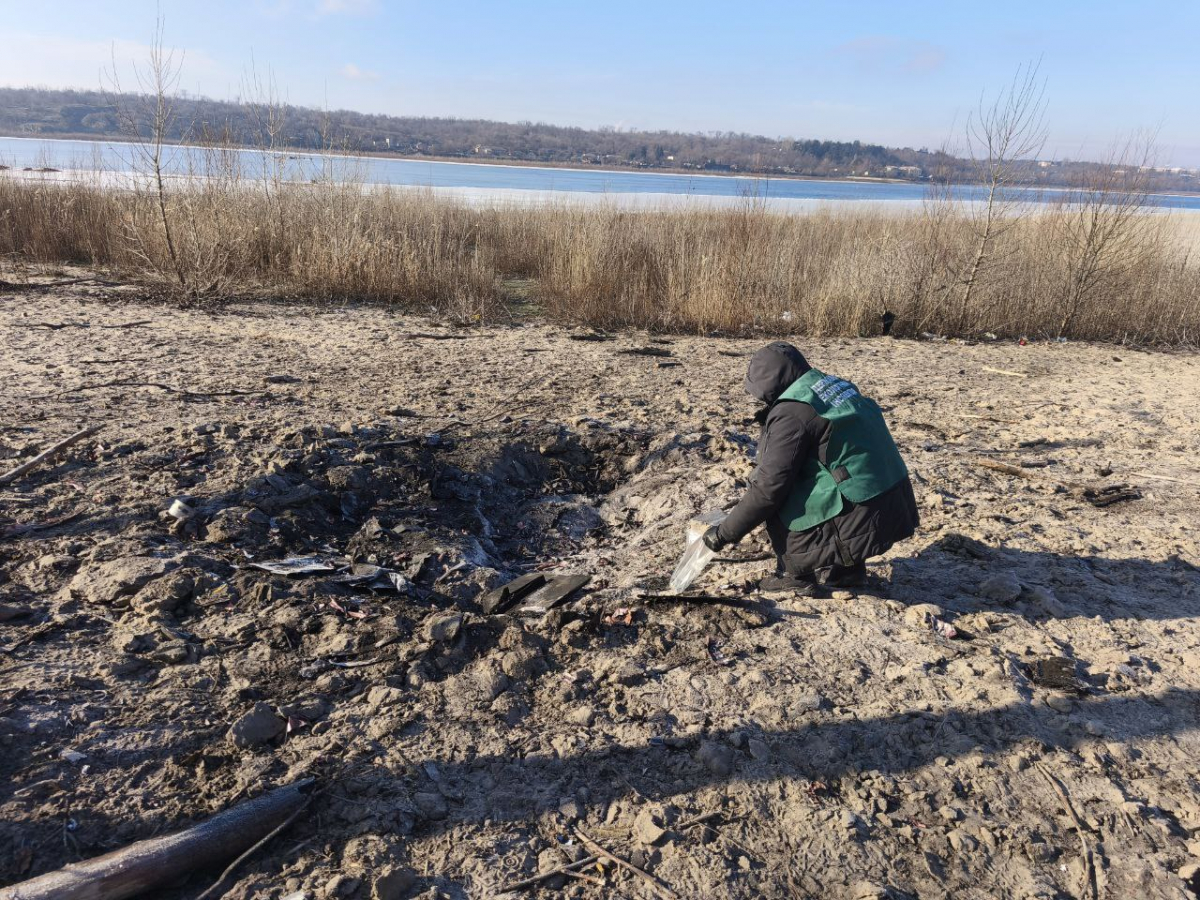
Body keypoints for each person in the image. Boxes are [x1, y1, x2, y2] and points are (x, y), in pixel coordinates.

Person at [702, 341, 918, 595]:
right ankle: (848, 570)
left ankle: (795, 575)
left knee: (782, 498)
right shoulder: (834, 385)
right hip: (894, 502)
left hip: (864, 511)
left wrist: (724, 534)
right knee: (829, 471)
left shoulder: (792, 413)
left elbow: (769, 489)